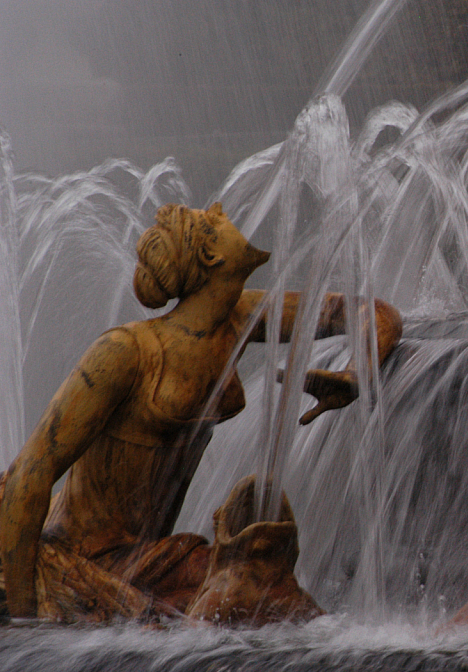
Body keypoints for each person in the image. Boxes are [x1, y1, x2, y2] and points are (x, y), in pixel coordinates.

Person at [0, 203, 403, 621]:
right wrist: (25, 617)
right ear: (211, 257)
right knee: (251, 592)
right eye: (211, 220)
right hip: (78, 558)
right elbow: (32, 469)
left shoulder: (242, 319)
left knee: (260, 583)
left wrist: (359, 371)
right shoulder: (125, 352)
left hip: (149, 560)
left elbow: (368, 312)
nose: (219, 209)